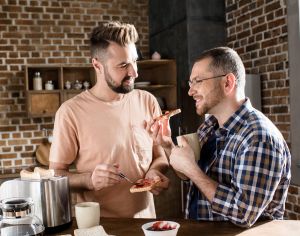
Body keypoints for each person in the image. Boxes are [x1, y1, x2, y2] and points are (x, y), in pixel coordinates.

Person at [148, 46, 291, 227]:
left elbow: (243, 214)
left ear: (227, 83)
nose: (190, 91)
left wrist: (192, 169)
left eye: (198, 81)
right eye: (190, 83)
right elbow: (190, 177)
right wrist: (168, 145)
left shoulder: (259, 138)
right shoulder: (209, 126)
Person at [49, 21, 169, 218]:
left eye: (135, 62)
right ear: (97, 65)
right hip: (98, 227)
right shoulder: (70, 112)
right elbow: (55, 175)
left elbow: (160, 156)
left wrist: (154, 173)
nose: (134, 73)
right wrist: (89, 180)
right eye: (123, 65)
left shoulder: (148, 101)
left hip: (146, 223)